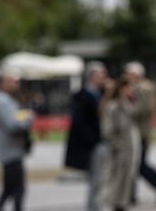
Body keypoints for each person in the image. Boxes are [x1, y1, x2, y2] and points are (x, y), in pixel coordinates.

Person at [0, 72, 34, 211]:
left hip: (9, 150)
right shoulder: (3, 102)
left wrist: (23, 114)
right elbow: (13, 124)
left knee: (9, 189)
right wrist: (28, 117)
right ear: (3, 83)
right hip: (11, 151)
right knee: (17, 190)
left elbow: (14, 117)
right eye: (13, 81)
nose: (16, 84)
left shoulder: (2, 100)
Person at [65, 62, 108, 211]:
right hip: (92, 144)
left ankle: (96, 207)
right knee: (96, 180)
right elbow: (81, 123)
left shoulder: (99, 94)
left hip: (97, 142)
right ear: (93, 76)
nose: (104, 79)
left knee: (100, 180)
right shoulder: (84, 96)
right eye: (101, 75)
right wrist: (93, 140)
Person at [124, 62, 156, 205]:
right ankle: (130, 195)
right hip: (138, 131)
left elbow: (145, 108)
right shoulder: (138, 87)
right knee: (134, 163)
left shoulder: (143, 88)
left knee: (139, 164)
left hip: (141, 132)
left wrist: (127, 109)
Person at [99, 77, 141, 211]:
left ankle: (122, 205)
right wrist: (119, 147)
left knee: (126, 184)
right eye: (130, 88)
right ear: (122, 89)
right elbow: (108, 132)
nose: (132, 90)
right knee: (116, 184)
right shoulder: (113, 107)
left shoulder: (128, 105)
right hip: (118, 153)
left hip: (129, 152)